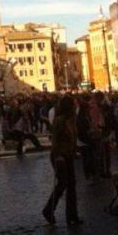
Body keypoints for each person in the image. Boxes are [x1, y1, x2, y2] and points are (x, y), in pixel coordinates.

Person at [43, 96, 82, 226]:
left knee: (71, 186)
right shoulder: (59, 120)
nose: (76, 106)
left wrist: (75, 150)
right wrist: (59, 156)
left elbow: (73, 137)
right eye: (74, 104)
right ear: (69, 106)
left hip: (69, 155)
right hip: (59, 157)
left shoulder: (72, 119)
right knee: (63, 183)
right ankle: (49, 209)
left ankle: (72, 216)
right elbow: (55, 140)